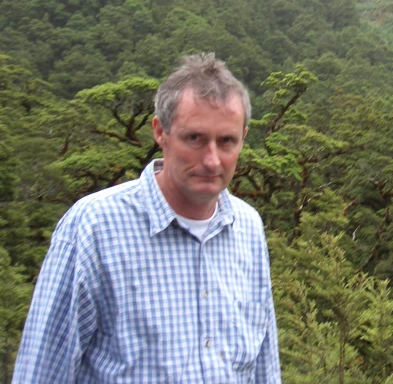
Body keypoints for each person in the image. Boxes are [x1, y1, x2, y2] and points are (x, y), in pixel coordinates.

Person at [12, 53, 282, 383]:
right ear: (160, 131)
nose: (212, 160)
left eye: (227, 141)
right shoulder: (93, 227)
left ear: (243, 138)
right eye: (194, 138)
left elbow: (264, 367)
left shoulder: (248, 227)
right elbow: (42, 371)